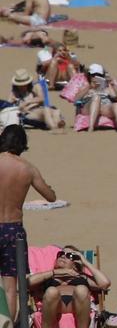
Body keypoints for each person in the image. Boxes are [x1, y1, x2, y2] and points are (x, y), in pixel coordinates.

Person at [0, 125, 55, 315]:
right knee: (10, 287)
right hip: (13, 230)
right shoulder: (27, 169)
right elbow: (50, 196)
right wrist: (50, 188)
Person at [28, 243, 109, 328]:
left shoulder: (81, 276)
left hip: (76, 305)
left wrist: (85, 262)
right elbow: (28, 283)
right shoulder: (49, 275)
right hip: (55, 305)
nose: (63, 256)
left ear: (75, 264)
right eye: (61, 254)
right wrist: (55, 272)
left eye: (69, 256)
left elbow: (105, 283)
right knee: (51, 291)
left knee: (81, 290)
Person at [76, 62, 117, 132]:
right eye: (93, 74)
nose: (95, 77)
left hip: (105, 108)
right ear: (89, 75)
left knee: (115, 104)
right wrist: (89, 87)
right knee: (96, 97)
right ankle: (90, 127)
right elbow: (76, 99)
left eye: (99, 75)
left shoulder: (108, 86)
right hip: (88, 107)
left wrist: (113, 85)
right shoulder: (85, 85)